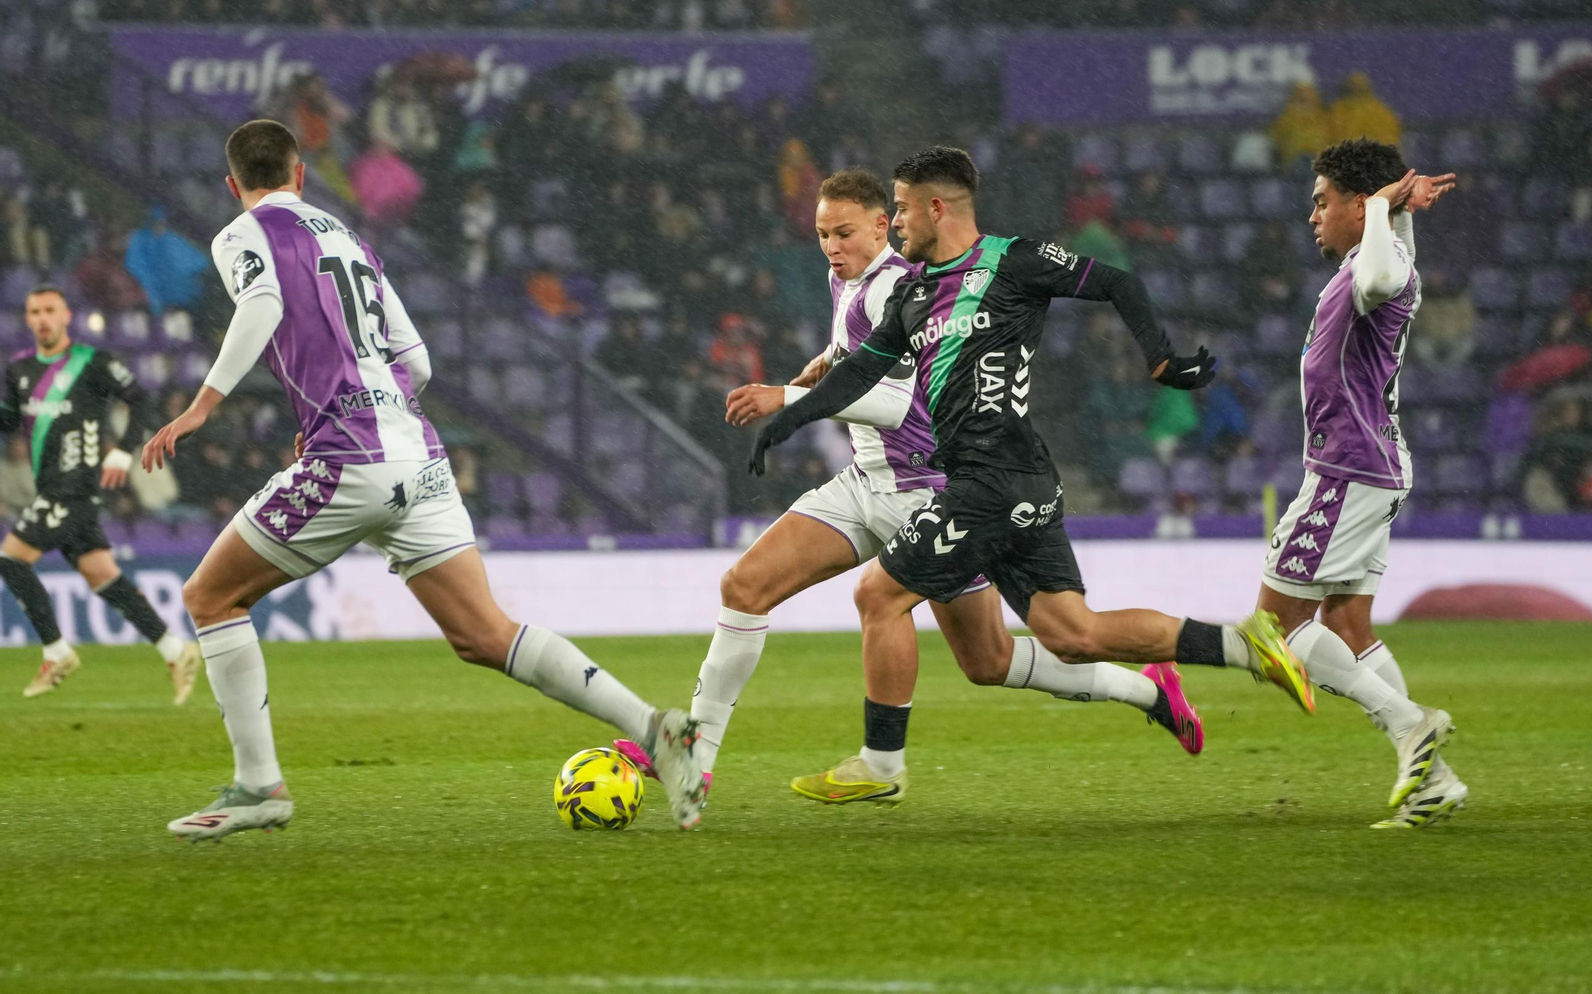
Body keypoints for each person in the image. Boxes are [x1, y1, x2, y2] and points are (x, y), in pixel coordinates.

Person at [141, 120, 704, 840]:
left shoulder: (242, 233)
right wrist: (372, 404)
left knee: (210, 597)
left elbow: (262, 306)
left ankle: (259, 786)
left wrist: (202, 406)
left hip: (349, 459)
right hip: (419, 454)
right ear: (301, 174)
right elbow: (418, 361)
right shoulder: (352, 240)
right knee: (485, 633)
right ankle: (653, 728)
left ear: (233, 185)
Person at [617, 168, 1207, 806]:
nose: (831, 247)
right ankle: (695, 754)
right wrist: (826, 362)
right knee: (744, 586)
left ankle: (1146, 691)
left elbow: (898, 402)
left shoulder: (902, 286)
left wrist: (786, 397)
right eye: (822, 234)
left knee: (989, 661)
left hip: (928, 492)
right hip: (863, 482)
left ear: (882, 226)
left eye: (844, 233)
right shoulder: (847, 278)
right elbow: (861, 351)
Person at [748, 148, 1319, 797]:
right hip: (1015, 480)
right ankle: (1247, 645)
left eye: (902, 208)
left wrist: (1160, 359)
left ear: (936, 207)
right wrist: (789, 415)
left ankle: (881, 768)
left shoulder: (1013, 261)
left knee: (878, 596)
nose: (896, 222)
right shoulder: (912, 294)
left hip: (992, 481)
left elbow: (1117, 283)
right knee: (1073, 633)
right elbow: (858, 372)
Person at [1260, 138, 1467, 829]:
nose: (1313, 216)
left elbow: (1380, 278)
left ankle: (1411, 725)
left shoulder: (1380, 265)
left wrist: (1383, 205)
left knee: (1273, 629)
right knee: (1347, 623)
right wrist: (1395, 207)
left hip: (1348, 468)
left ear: (1357, 205)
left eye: (1322, 202)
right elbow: (1385, 261)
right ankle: (1434, 783)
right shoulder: (1382, 252)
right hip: (1368, 463)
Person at [1, 287, 199, 701]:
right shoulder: (19, 370)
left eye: (50, 310)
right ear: (28, 319)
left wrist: (124, 452)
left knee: (11, 560)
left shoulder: (91, 363)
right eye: (35, 311)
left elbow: (140, 400)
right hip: (50, 487)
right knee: (102, 575)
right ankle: (175, 650)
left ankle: (57, 653)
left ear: (66, 316)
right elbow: (9, 422)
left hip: (75, 487)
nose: (42, 318)